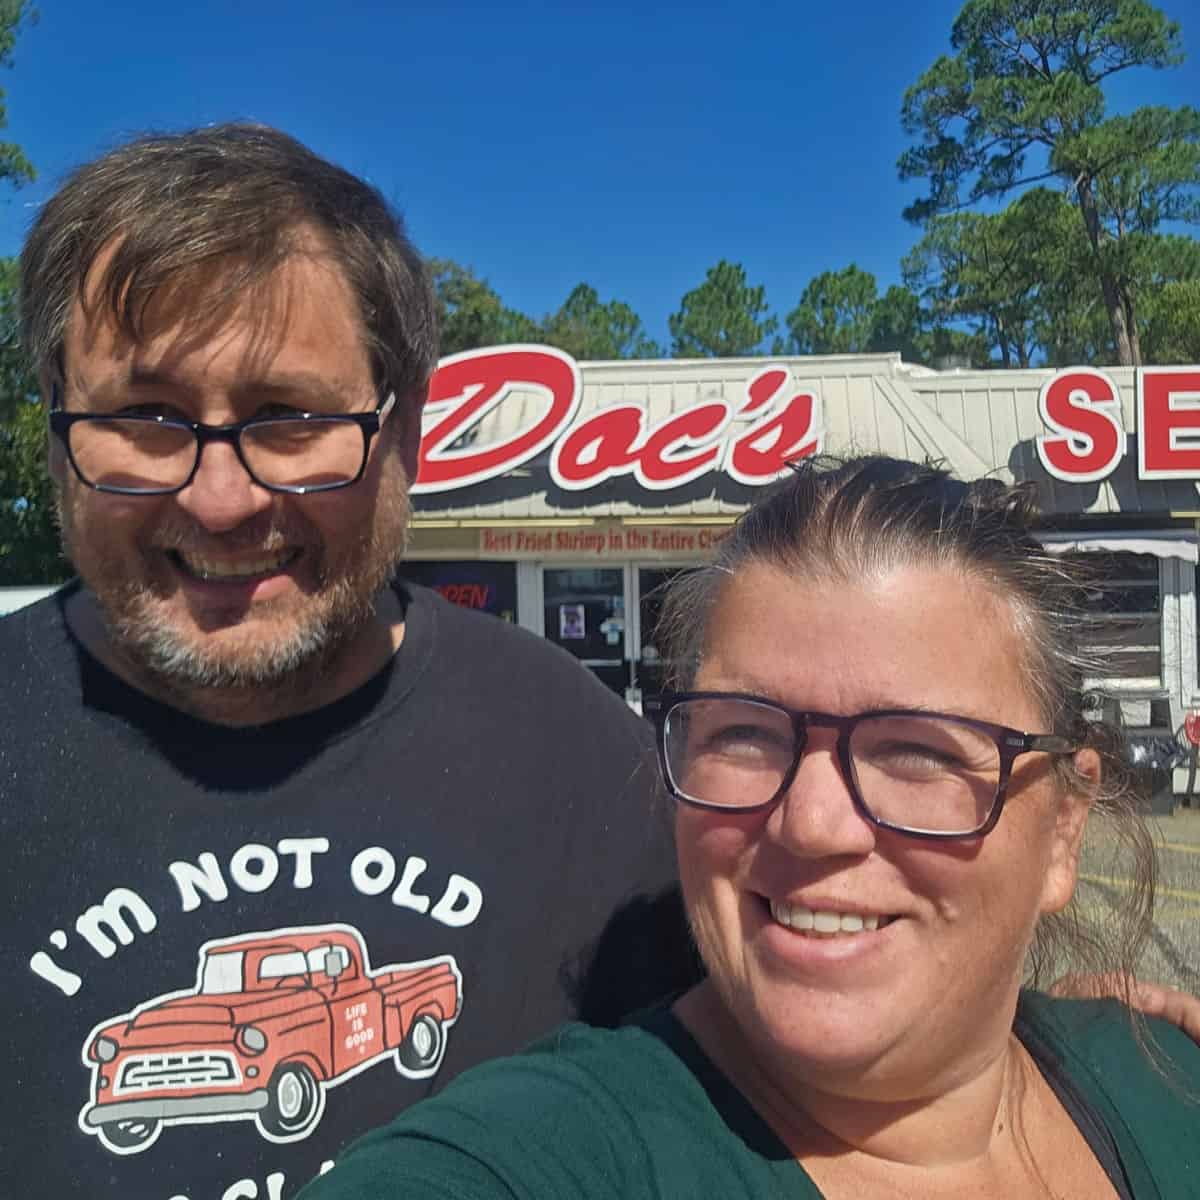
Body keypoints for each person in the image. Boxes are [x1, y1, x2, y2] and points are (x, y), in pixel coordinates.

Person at [0, 123, 678, 1198]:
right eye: (146, 416)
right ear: (57, 429)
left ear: (404, 435)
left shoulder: (583, 763)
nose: (220, 500)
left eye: (288, 417)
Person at [298, 457, 1200, 1200]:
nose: (811, 823)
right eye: (745, 734)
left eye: (916, 749)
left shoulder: (1163, 1075)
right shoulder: (548, 1156)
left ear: (1064, 832)